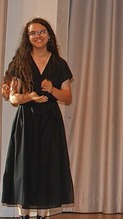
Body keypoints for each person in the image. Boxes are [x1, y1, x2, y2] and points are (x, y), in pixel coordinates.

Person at [1, 18, 74, 219]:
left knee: (47, 166)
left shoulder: (59, 64)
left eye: (42, 32)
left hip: (50, 120)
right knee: (24, 166)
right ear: (28, 37)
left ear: (49, 35)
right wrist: (29, 97)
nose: (38, 36)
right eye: (33, 33)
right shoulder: (20, 61)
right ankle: (24, 215)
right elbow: (13, 98)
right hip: (26, 121)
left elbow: (67, 98)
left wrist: (52, 89)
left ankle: (42, 215)